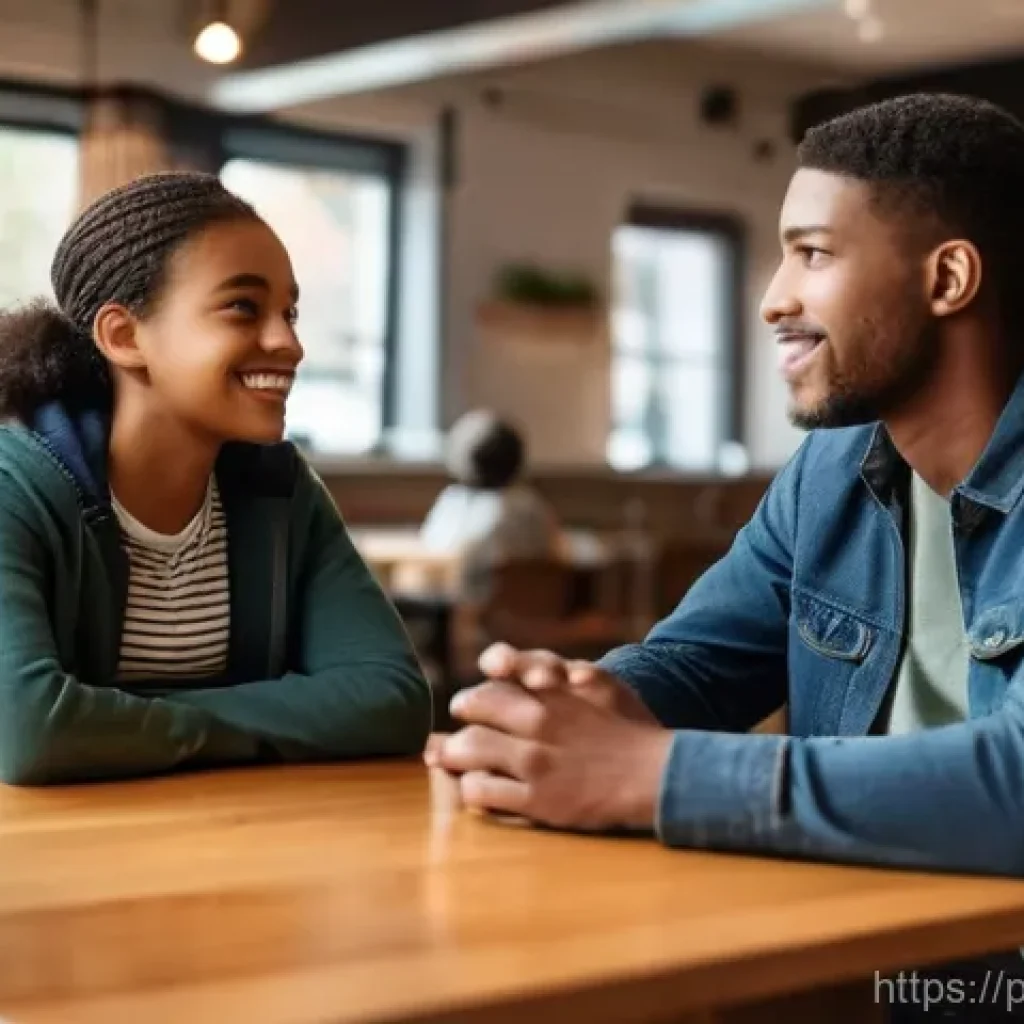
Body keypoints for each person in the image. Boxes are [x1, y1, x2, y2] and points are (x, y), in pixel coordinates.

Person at [428, 92, 1024, 880]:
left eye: (814, 254)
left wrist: (649, 775)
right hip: (857, 928)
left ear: (947, 278)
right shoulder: (830, 470)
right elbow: (697, 663)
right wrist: (570, 711)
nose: (774, 299)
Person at [0, 171, 431, 785]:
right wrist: (283, 713)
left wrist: (108, 722)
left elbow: (391, 700)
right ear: (124, 336)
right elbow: (29, 731)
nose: (289, 343)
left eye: (289, 312)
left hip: (231, 833)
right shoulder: (16, 486)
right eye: (242, 308)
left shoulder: (281, 492)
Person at [420, 409, 560, 602]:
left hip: (469, 611)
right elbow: (553, 555)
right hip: (533, 609)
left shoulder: (455, 504)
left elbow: (432, 555)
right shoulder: (532, 505)